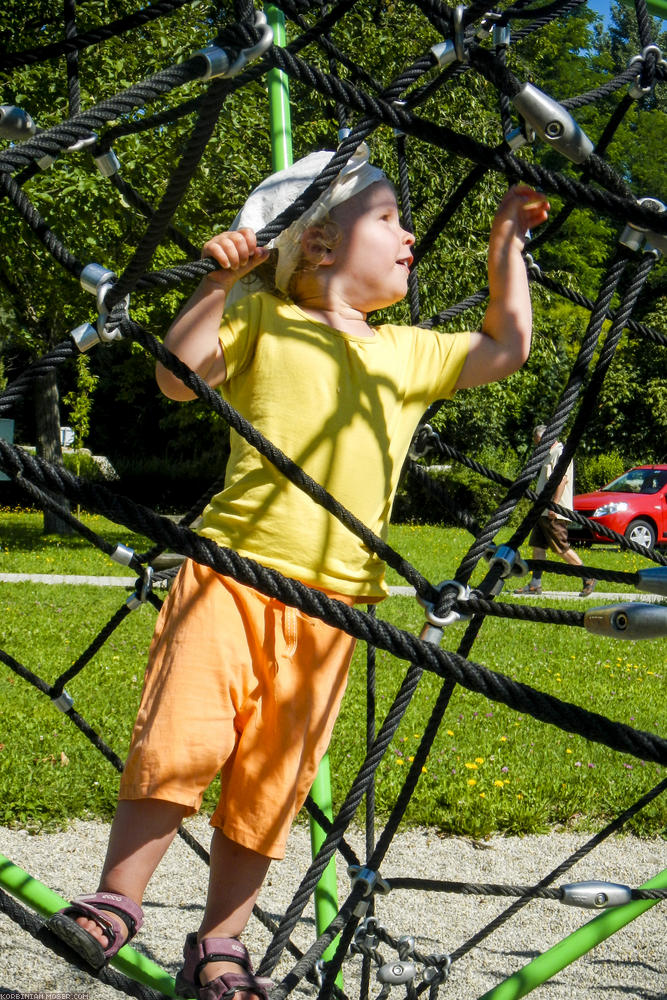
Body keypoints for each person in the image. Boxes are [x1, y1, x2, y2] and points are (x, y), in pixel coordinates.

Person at [48, 146, 550, 1000]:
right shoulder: (261, 319)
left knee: (270, 783)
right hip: (232, 575)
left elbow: (507, 344)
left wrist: (505, 239)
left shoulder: (404, 352)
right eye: (388, 218)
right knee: (180, 741)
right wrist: (216, 283)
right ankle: (117, 898)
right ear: (317, 244)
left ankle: (221, 942)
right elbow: (177, 379)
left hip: (335, 607)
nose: (409, 234)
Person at [515, 424, 596, 597]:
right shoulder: (549, 454)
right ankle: (535, 584)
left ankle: (588, 577)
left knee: (561, 548)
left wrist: (555, 505)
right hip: (543, 511)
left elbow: (562, 480)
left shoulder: (559, 452)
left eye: (538, 442)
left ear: (546, 439)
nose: (537, 446)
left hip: (553, 511)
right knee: (537, 546)